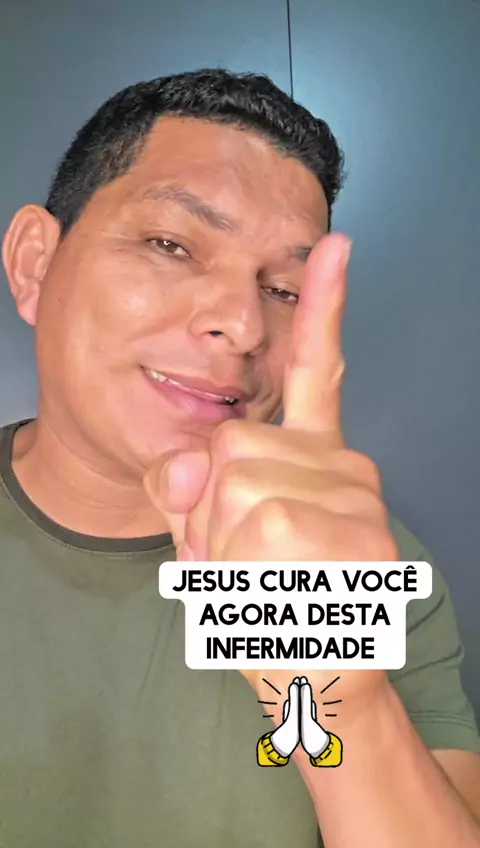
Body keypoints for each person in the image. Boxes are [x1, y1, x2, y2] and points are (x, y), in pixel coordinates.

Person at [0, 68, 479, 848]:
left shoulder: (365, 566)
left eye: (285, 289)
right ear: (34, 263)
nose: (244, 326)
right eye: (171, 245)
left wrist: (345, 698)